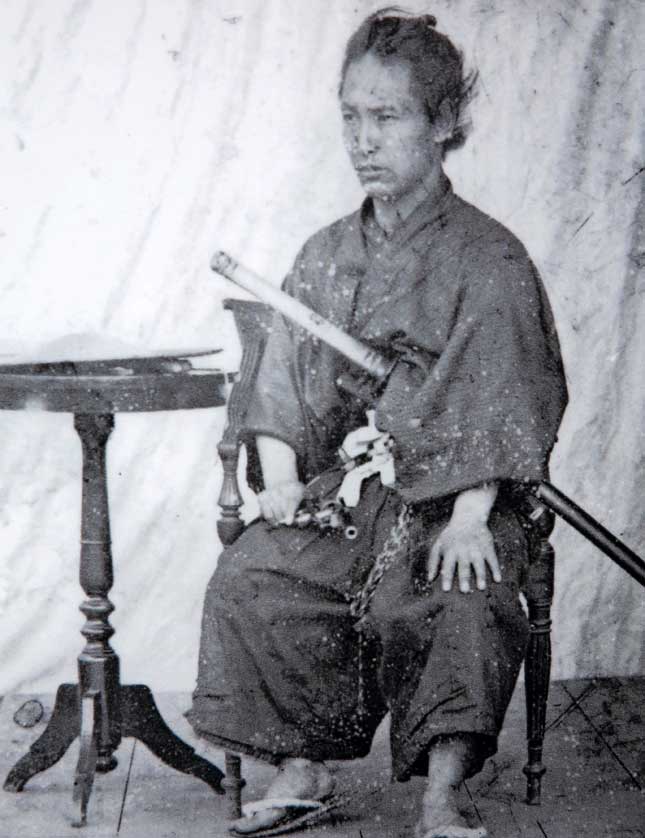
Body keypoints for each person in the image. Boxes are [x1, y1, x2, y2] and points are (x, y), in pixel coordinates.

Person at [187, 9, 568, 838]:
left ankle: (441, 795)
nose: (363, 140)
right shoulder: (326, 253)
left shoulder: (488, 259)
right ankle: (304, 764)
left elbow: (507, 396)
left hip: (465, 494)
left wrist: (470, 516)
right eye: (351, 118)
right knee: (256, 573)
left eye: (386, 117)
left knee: (462, 591)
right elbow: (283, 379)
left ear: (442, 125)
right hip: (362, 490)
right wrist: (283, 476)